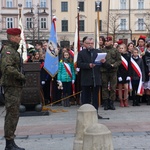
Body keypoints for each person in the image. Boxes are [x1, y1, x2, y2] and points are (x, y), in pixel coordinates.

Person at [0, 28, 25, 150]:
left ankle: (11, 141)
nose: (20, 38)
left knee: (14, 114)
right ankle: (9, 143)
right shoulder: (8, 51)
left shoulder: (13, 50)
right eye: (18, 36)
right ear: (12, 37)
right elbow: (8, 68)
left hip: (15, 86)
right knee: (12, 114)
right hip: (11, 86)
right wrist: (20, 76)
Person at [77, 37, 105, 119]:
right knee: (86, 97)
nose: (90, 45)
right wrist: (88, 65)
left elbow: (104, 65)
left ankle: (95, 113)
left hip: (96, 78)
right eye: (88, 43)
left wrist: (104, 62)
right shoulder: (81, 53)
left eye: (92, 43)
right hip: (86, 78)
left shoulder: (98, 52)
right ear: (84, 44)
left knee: (95, 98)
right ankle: (86, 114)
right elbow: (79, 64)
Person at [100, 36, 121, 110]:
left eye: (108, 41)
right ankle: (105, 103)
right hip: (104, 71)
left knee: (113, 87)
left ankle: (111, 102)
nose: (106, 42)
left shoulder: (115, 51)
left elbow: (119, 60)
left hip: (113, 71)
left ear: (111, 42)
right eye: (105, 41)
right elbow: (99, 60)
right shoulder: (102, 50)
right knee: (104, 87)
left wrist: (114, 65)